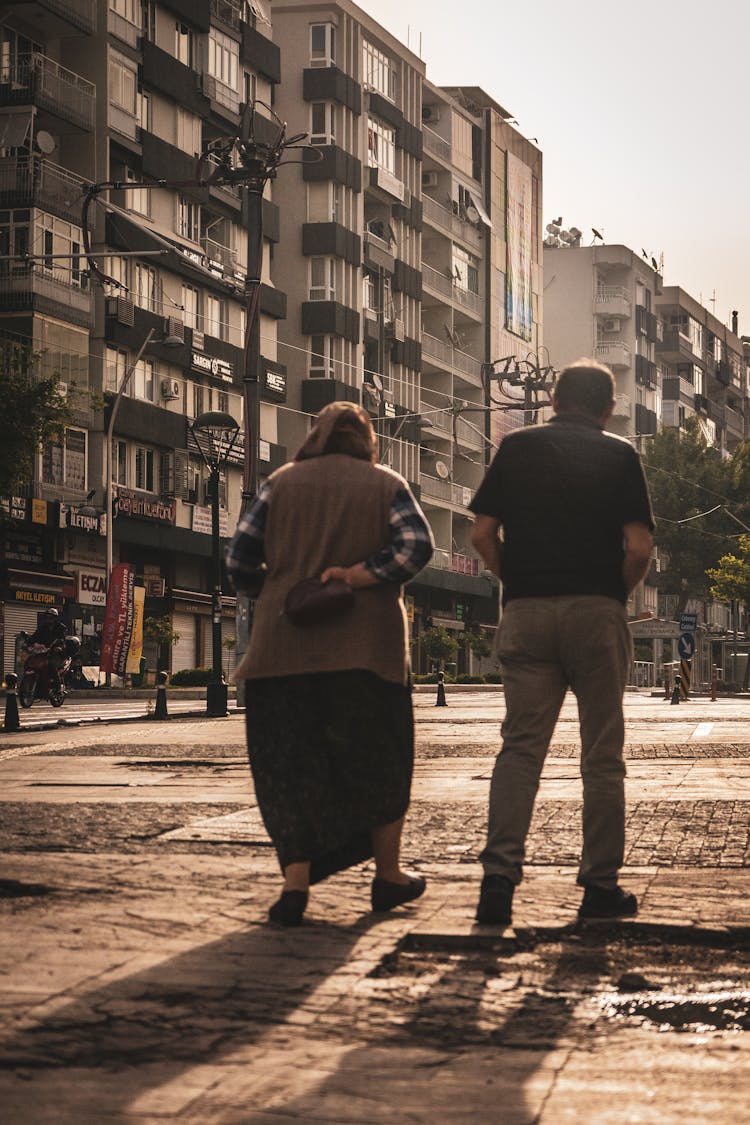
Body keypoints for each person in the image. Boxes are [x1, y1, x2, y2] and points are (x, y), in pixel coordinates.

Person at [226, 401, 434, 926]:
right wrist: (360, 575)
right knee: (381, 763)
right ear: (368, 441)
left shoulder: (279, 482)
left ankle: (295, 887)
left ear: (314, 435)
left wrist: (275, 591)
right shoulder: (386, 484)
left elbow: (239, 561)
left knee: (288, 766)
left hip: (280, 653)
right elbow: (415, 548)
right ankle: (388, 876)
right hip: (368, 656)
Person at [469, 359, 654, 925]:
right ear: (609, 409)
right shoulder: (621, 455)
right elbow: (639, 547)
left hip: (525, 612)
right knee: (602, 756)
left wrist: (516, 582)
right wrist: (609, 594)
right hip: (596, 613)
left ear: (552, 400)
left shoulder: (517, 448)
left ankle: (498, 880)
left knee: (520, 749)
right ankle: (599, 887)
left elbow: (481, 533)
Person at [23, 608, 68, 692]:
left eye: (51, 617)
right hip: (43, 652)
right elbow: (34, 637)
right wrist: (28, 643)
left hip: (56, 652)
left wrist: (58, 646)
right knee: (31, 660)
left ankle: (57, 686)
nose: (49, 619)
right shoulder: (42, 628)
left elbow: (62, 639)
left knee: (51, 664)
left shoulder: (61, 627)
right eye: (47, 617)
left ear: (55, 618)